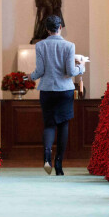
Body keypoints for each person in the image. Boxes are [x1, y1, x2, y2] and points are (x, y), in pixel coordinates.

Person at [30, 15, 85, 175]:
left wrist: (29, 77)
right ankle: (59, 163)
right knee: (63, 125)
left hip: (47, 90)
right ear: (60, 27)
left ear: (47, 29)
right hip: (64, 91)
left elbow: (39, 71)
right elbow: (70, 72)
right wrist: (81, 68)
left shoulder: (40, 45)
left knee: (49, 124)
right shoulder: (69, 46)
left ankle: (47, 156)